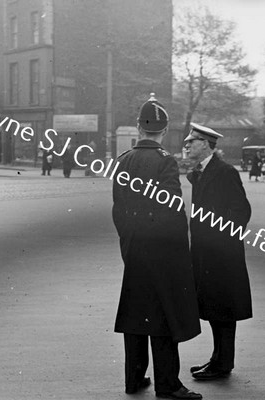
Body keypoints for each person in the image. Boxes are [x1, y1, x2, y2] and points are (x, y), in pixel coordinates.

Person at [112, 94, 202, 400]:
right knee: (163, 317)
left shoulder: (123, 161)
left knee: (135, 314)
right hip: (162, 252)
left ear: (139, 127)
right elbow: (174, 211)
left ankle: (134, 378)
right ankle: (168, 384)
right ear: (163, 131)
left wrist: (129, 245)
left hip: (134, 250)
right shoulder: (165, 162)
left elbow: (119, 211)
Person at [184, 122, 253, 381]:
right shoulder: (202, 171)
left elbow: (241, 211)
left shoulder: (223, 172)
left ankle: (223, 363)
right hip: (207, 254)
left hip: (221, 255)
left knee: (222, 309)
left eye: (192, 140)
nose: (187, 144)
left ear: (206, 144)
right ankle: (218, 358)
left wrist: (220, 240)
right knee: (215, 308)